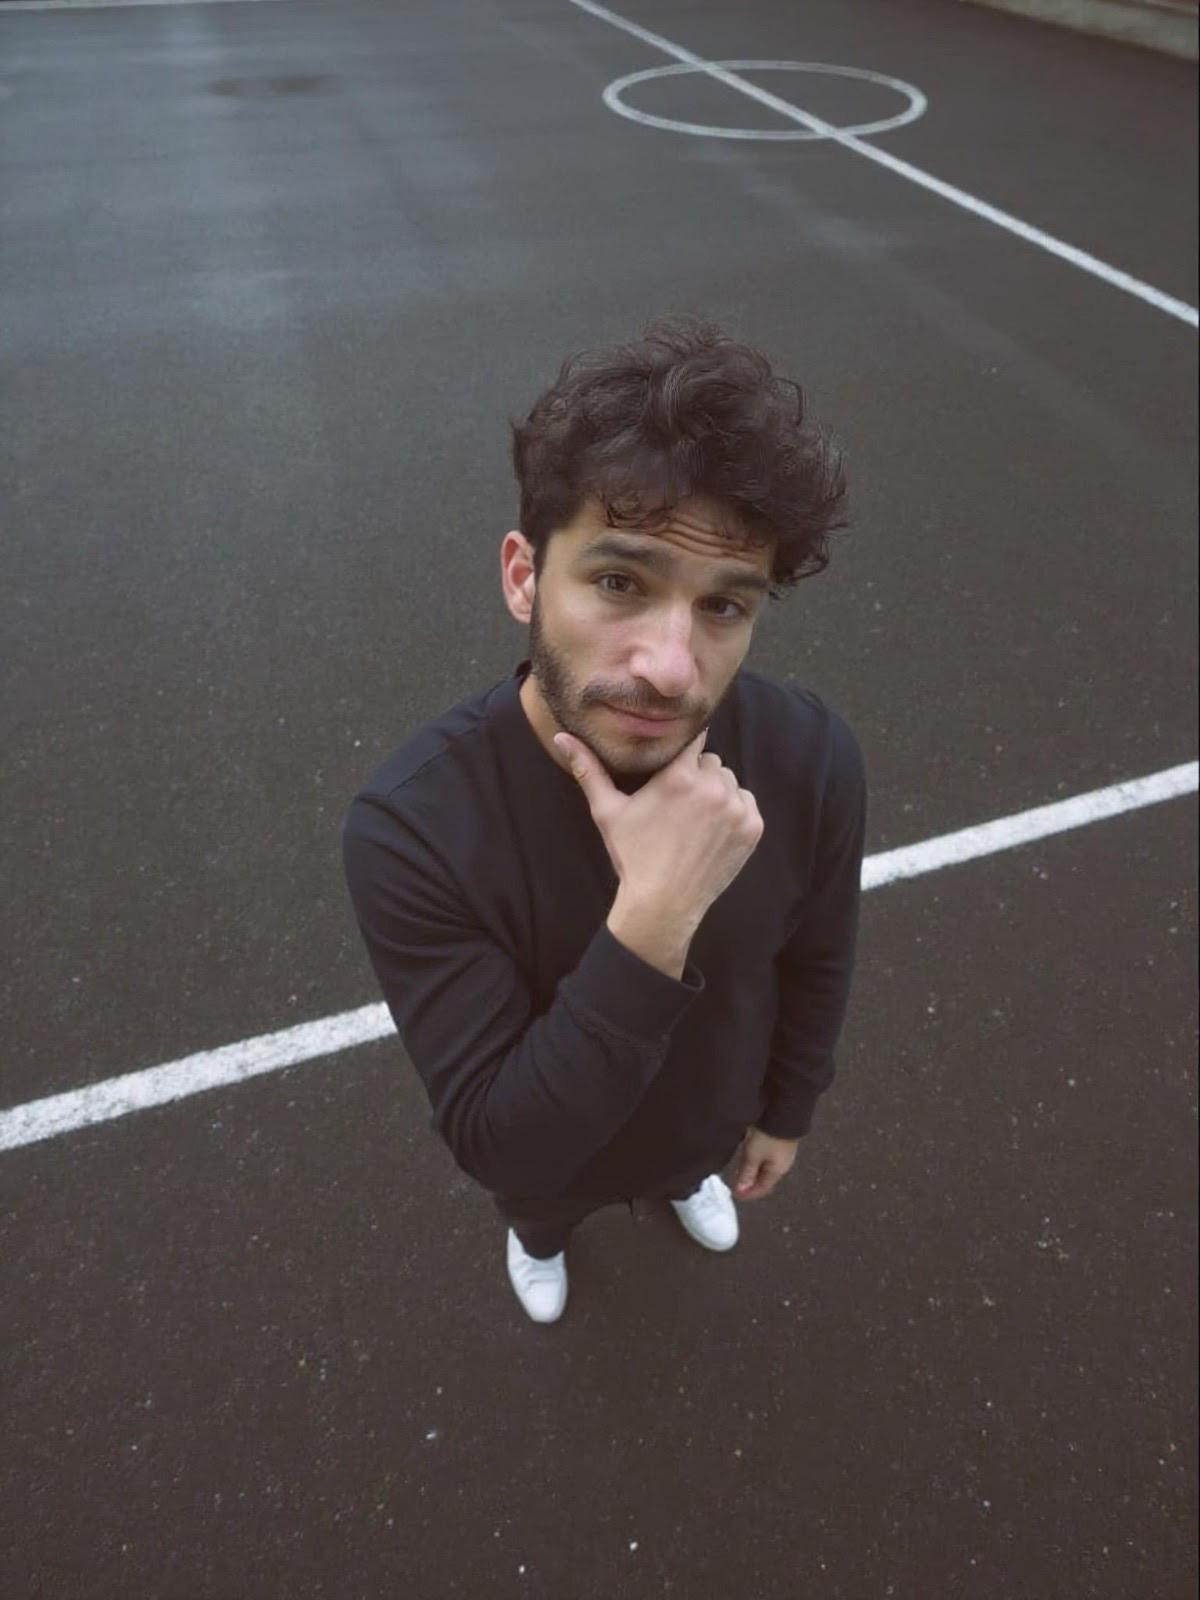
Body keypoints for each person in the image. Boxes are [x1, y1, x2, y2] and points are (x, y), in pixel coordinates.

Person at [341, 313, 866, 1324]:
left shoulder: (811, 756)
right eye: (620, 581)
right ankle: (540, 1246)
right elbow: (500, 1138)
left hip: (709, 1120)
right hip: (553, 1167)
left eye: (724, 607)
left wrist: (786, 1112)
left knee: (686, 1165)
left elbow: (820, 956)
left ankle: (682, 1180)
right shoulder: (412, 826)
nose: (671, 667)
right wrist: (657, 912)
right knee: (544, 1212)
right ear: (524, 575)